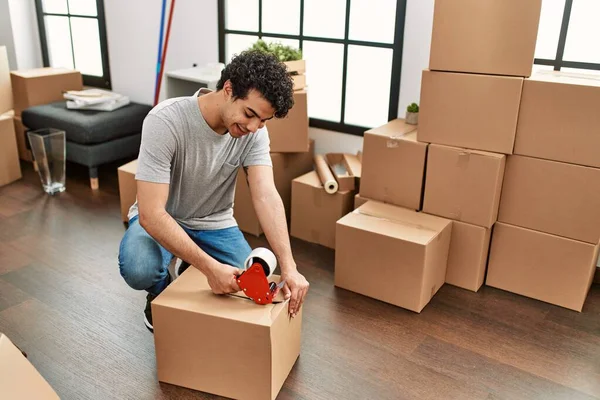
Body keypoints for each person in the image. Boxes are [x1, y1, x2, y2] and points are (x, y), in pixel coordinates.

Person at [118, 50, 310, 332]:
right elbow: (150, 214)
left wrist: (290, 267)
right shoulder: (165, 121)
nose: (254, 127)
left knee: (246, 285)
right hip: (162, 220)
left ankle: (189, 265)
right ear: (228, 89)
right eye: (250, 114)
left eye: (264, 121)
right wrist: (210, 268)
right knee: (138, 267)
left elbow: (266, 195)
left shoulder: (253, 133)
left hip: (214, 224)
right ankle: (159, 291)